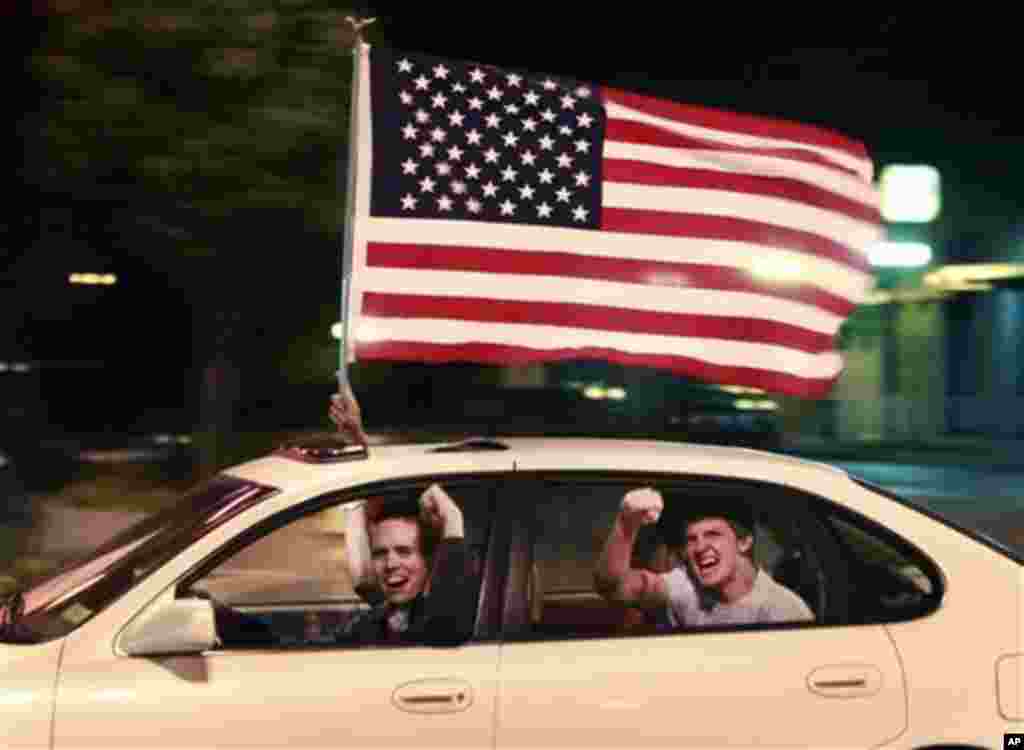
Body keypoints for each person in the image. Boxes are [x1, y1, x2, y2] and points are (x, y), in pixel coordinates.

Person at [594, 487, 813, 628]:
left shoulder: (784, 610)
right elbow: (614, 587)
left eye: (713, 534)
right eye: (691, 539)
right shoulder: (686, 585)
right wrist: (626, 524)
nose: (699, 547)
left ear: (744, 542)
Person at [334, 484, 474, 644]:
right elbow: (363, 581)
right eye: (380, 553)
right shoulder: (363, 628)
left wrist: (452, 518)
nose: (390, 564)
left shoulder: (443, 622)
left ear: (427, 561)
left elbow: (446, 629)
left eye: (404, 551)